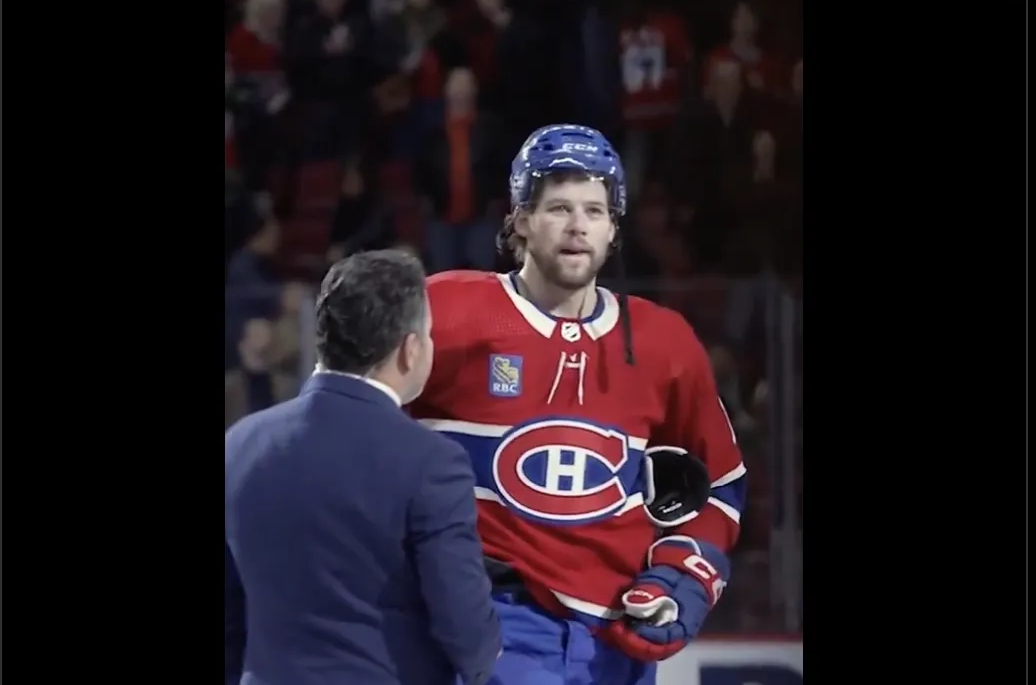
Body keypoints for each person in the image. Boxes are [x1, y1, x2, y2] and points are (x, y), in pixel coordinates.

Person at [408, 125, 747, 685]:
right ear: (519, 220)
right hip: (494, 627)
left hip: (621, 638)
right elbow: (350, 420)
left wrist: (681, 575)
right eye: (558, 207)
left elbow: (722, 485)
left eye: (594, 210)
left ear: (614, 228)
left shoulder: (664, 342)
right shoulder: (445, 309)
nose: (577, 226)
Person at [226, 249, 501, 685]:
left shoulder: (240, 443)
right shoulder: (432, 462)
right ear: (411, 350)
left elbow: (231, 613)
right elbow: (464, 626)